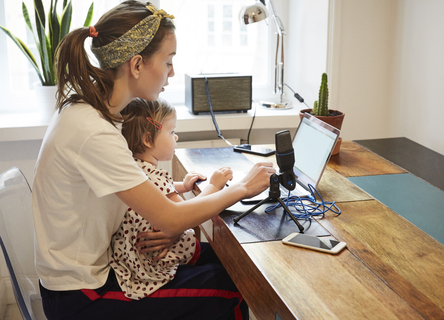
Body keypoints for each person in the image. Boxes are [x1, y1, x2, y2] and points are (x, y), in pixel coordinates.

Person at [31, 1, 275, 319]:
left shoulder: (93, 111)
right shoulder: (94, 131)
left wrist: (175, 214)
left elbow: (150, 203)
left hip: (87, 275)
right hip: (81, 296)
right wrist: (241, 187)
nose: (172, 72)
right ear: (136, 65)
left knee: (227, 260)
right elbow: (170, 220)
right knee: (233, 287)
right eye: (168, 61)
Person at [110, 97, 234, 300]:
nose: (175, 138)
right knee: (227, 270)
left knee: (219, 257)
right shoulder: (153, 177)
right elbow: (191, 213)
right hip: (152, 271)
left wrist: (183, 186)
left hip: (133, 262)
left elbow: (157, 191)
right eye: (171, 132)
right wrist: (214, 185)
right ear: (148, 139)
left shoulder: (135, 169)